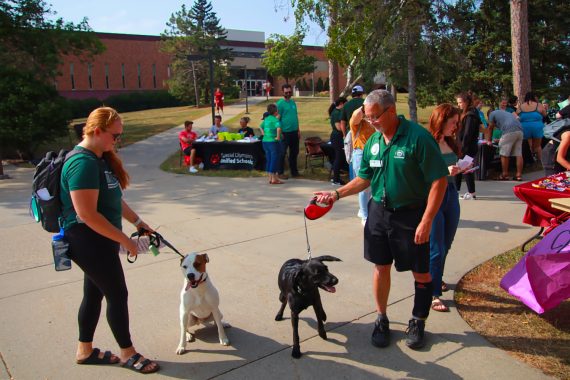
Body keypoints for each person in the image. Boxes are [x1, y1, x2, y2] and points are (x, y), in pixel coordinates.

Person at [314, 90, 448, 350]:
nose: (371, 121)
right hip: (379, 213)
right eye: (367, 116)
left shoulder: (417, 138)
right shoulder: (374, 141)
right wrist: (336, 193)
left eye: (375, 116)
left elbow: (438, 180)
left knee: (420, 271)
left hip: (411, 214)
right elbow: (364, 178)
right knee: (380, 267)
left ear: (390, 111)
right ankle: (381, 318)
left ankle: (418, 320)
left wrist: (427, 219)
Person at [60, 107, 160, 374]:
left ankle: (85, 350)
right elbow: (87, 215)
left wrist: (139, 223)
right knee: (117, 294)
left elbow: (114, 198)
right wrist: (126, 242)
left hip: (100, 240)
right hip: (88, 241)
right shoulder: (82, 163)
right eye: (115, 135)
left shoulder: (99, 158)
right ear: (96, 131)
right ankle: (128, 353)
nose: (118, 141)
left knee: (93, 294)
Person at [427, 104, 462, 312]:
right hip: (433, 196)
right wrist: (444, 170)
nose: (456, 127)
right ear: (441, 120)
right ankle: (432, 293)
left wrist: (459, 169)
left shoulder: (450, 142)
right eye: (453, 122)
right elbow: (419, 174)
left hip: (451, 194)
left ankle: (436, 277)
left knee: (446, 243)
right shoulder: (427, 143)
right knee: (436, 248)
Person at [349, 106, 376, 226]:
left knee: (373, 185)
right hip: (360, 153)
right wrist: (364, 107)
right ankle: (365, 216)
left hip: (374, 154)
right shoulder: (357, 123)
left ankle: (364, 209)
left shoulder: (375, 123)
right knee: (363, 186)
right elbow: (355, 116)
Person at [455, 92, 481, 200]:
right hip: (465, 146)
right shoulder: (470, 113)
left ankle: (470, 193)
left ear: (466, 102)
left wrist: (462, 148)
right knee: (462, 169)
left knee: (463, 169)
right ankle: (467, 192)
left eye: (460, 102)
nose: (459, 105)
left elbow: (467, 134)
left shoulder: (470, 115)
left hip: (467, 147)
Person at [488, 109, 524, 181]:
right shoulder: (506, 113)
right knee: (518, 154)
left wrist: (489, 140)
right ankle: (519, 175)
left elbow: (490, 128)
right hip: (520, 131)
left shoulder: (491, 114)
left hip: (509, 131)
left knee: (504, 154)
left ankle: (505, 174)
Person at [276, 84, 301, 178]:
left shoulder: (293, 102)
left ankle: (294, 172)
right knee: (282, 153)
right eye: (286, 92)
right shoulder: (280, 104)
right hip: (284, 133)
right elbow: (277, 119)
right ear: (283, 92)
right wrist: (279, 131)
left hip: (294, 132)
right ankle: (280, 172)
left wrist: (298, 130)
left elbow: (295, 116)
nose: (288, 93)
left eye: (290, 92)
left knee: (294, 152)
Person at [340, 85, 366, 173]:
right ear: (361, 94)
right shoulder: (365, 103)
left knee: (351, 157)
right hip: (365, 134)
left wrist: (344, 135)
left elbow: (342, 122)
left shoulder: (346, 105)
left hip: (350, 134)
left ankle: (353, 178)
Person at [516, 91, 546, 164]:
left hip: (525, 127)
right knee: (538, 146)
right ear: (534, 97)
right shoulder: (538, 105)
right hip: (537, 127)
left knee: (529, 145)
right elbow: (545, 114)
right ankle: (541, 162)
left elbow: (516, 115)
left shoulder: (521, 106)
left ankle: (531, 161)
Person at [259, 105, 283, 185]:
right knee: (274, 159)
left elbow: (260, 126)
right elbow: (279, 128)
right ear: (275, 112)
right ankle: (274, 179)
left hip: (265, 141)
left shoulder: (266, 119)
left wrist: (264, 134)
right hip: (272, 142)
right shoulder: (275, 120)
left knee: (269, 158)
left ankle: (270, 177)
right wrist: (278, 137)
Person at [328, 96, 348, 185]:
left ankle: (337, 177)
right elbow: (338, 127)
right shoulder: (336, 113)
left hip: (339, 137)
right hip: (337, 137)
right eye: (346, 104)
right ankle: (335, 179)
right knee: (338, 158)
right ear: (341, 104)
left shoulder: (340, 112)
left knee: (341, 158)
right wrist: (347, 127)